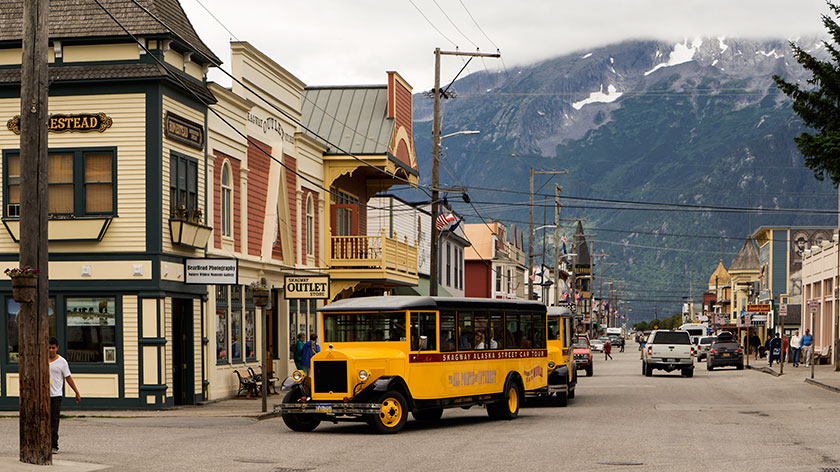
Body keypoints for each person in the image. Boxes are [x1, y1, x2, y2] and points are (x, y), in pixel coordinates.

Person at [48, 337, 81, 454]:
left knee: (54, 421)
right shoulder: (42, 360)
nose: (51, 350)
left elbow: (68, 378)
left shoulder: (62, 362)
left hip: (56, 395)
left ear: (57, 348)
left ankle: (53, 445)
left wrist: (76, 392)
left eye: (53, 348)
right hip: (43, 395)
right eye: (49, 347)